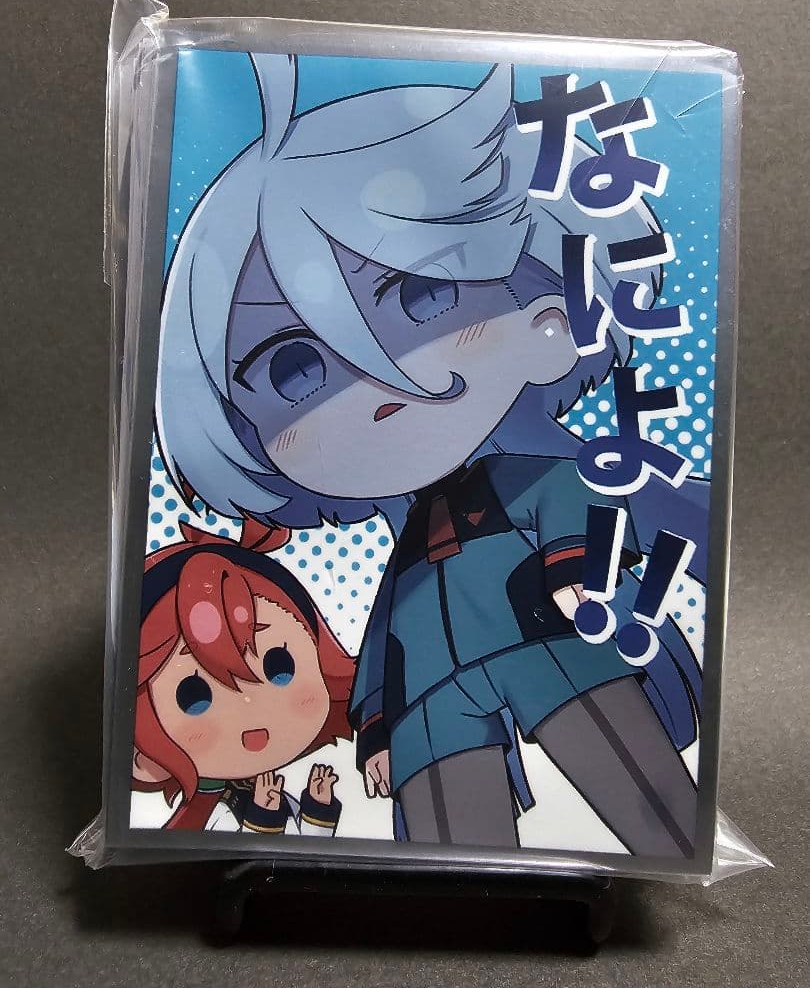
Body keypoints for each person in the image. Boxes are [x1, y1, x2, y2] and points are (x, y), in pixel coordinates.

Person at [154, 53, 704, 856]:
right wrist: (377, 727)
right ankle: (451, 885)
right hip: (433, 693)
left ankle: (670, 852)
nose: (376, 379)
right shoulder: (405, 556)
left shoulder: (537, 479)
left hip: (547, 638)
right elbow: (389, 633)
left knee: (639, 789)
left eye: (424, 295)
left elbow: (601, 505)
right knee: (446, 822)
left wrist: (575, 570)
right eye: (291, 369)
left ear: (550, 319)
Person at [133, 519, 354, 834]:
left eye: (280, 667)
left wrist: (318, 808)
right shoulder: (212, 813)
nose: (252, 712)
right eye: (194, 697)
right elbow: (231, 857)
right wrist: (262, 817)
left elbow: (311, 852)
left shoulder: (281, 789)